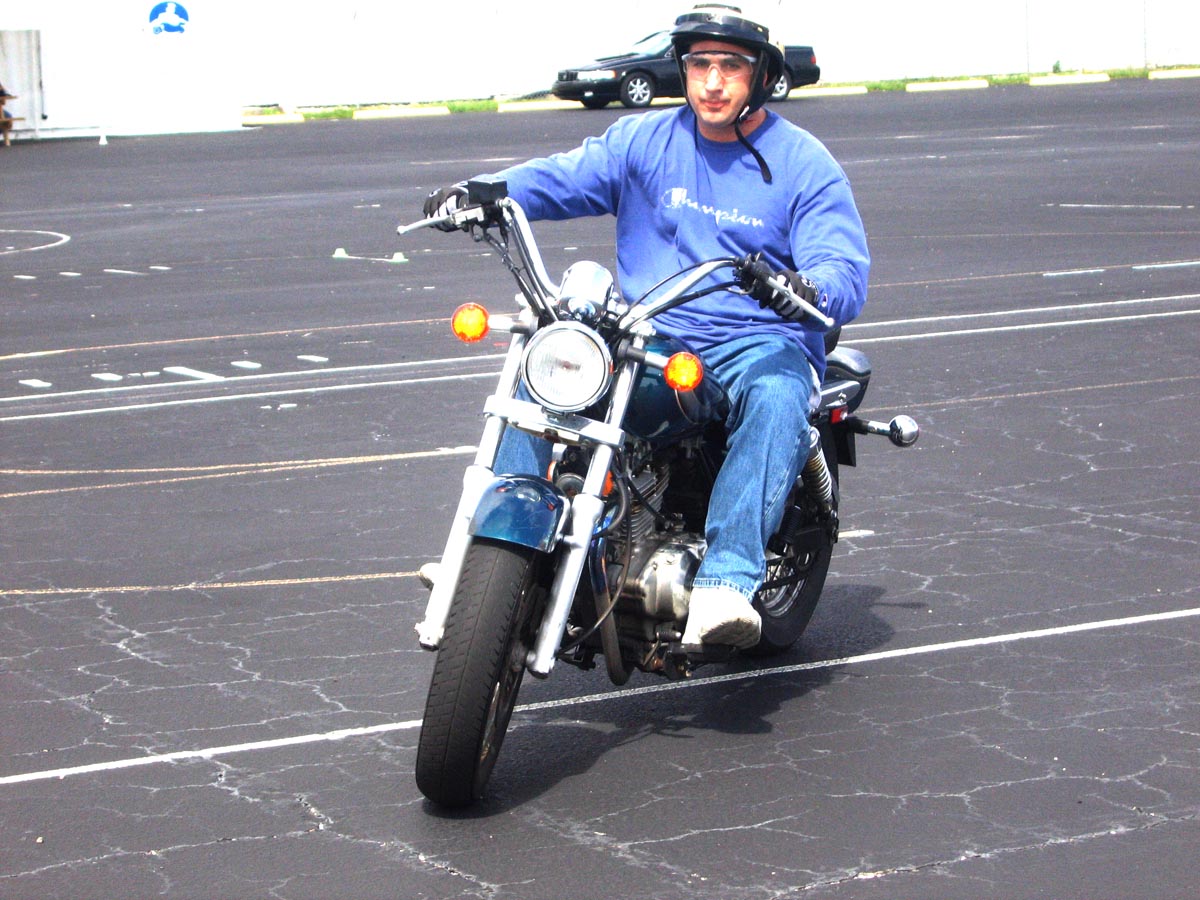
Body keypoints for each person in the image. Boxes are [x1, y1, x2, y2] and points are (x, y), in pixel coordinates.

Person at [422, 5, 869, 650]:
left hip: (756, 339)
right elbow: (564, 177)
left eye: (730, 66)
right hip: (651, 331)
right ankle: (497, 550)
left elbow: (842, 269)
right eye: (700, 64)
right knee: (550, 362)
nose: (712, 81)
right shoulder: (643, 141)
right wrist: (484, 192)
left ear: (759, 76)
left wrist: (806, 288)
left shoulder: (803, 162)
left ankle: (725, 582)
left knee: (776, 394)